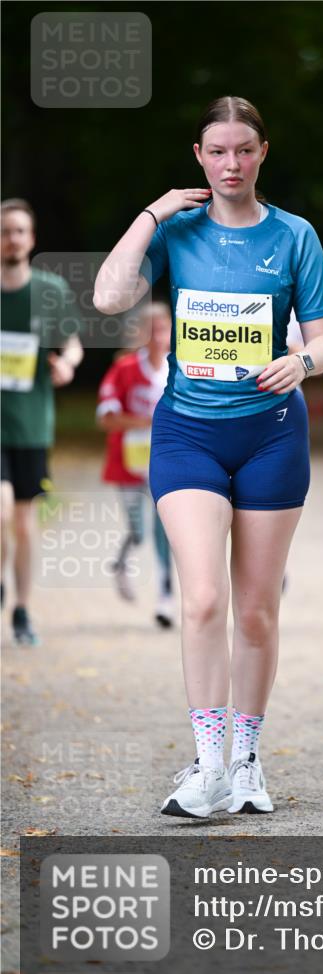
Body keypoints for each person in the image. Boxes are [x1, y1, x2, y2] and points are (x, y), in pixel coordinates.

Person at [94, 96, 323, 817]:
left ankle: (247, 762)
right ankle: (205, 765)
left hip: (271, 436)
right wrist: (151, 213)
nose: (230, 164)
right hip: (188, 435)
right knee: (202, 599)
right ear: (198, 157)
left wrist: (303, 361)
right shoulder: (178, 232)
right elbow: (109, 298)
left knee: (256, 612)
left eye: (243, 150)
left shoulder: (295, 236)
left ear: (262, 153)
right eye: (217, 151)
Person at [1, 198, 83, 645]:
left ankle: (22, 608)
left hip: (31, 424)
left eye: (18, 231)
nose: (10, 239)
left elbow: (71, 342)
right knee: (1, 510)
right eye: (4, 231)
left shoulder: (49, 290)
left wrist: (67, 365)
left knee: (23, 519)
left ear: (31, 240)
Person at [96, 302, 173, 627]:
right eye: (153, 330)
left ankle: (165, 597)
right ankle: (122, 562)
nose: (159, 337)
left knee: (165, 527)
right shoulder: (125, 368)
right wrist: (143, 422)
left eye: (164, 328)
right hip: (129, 463)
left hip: (166, 462)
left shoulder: (181, 367)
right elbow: (106, 419)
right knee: (138, 531)